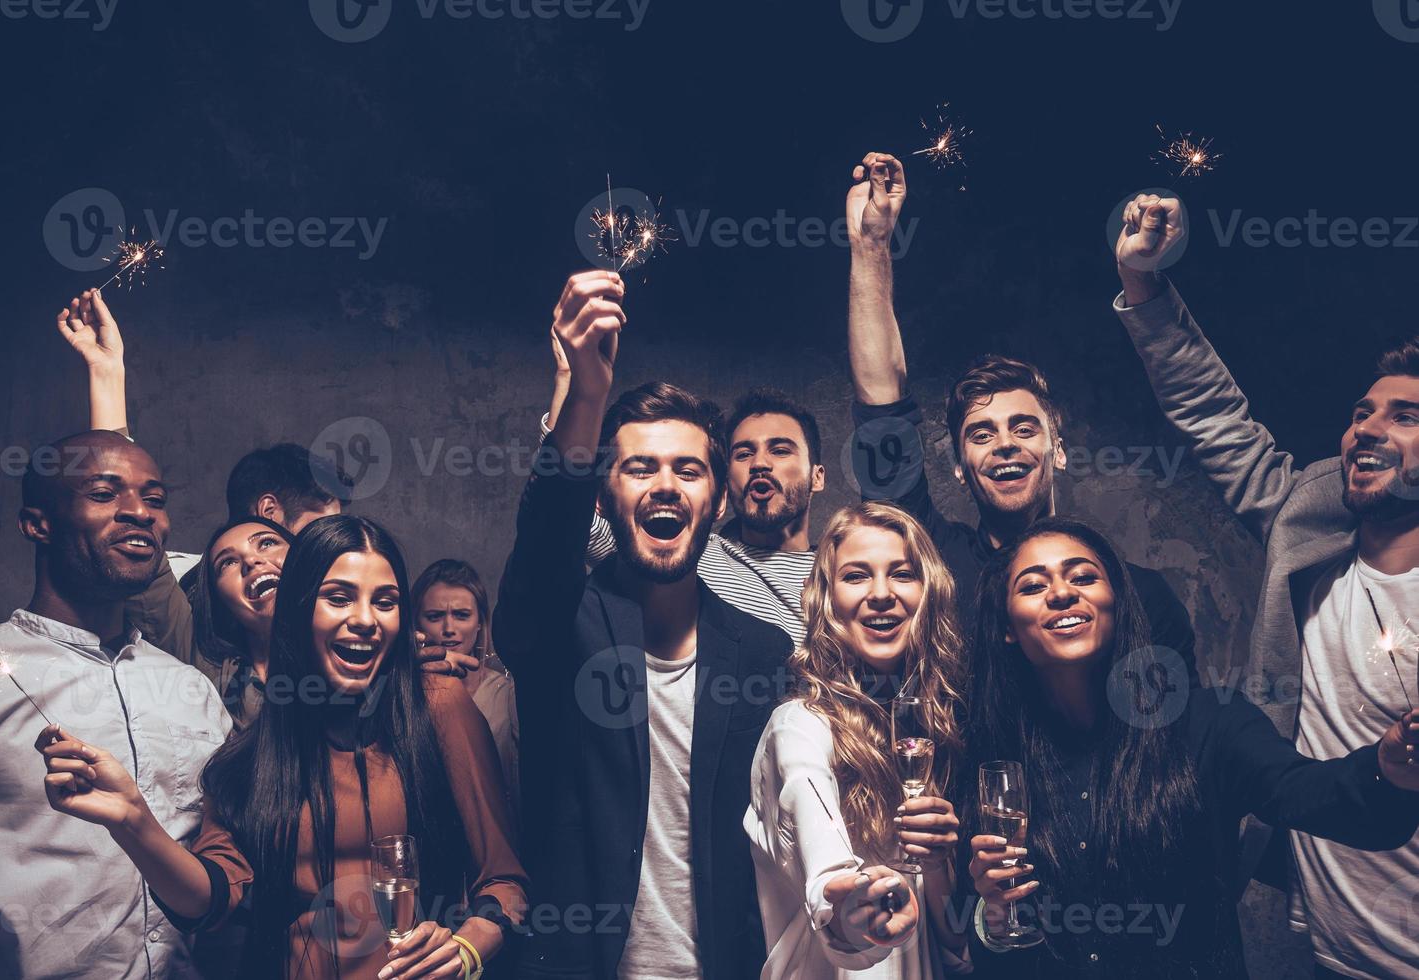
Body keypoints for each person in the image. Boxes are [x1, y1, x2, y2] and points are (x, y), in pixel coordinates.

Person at [1113, 193, 1419, 978]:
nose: (1367, 428)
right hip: (1331, 952)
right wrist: (1143, 285)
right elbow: (1214, 416)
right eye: (1361, 412)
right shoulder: (1308, 523)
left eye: (1404, 416)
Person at [36, 515, 527, 979]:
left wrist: (466, 948)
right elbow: (208, 903)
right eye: (338, 597)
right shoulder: (250, 760)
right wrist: (133, 821)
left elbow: (504, 881)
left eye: (385, 601)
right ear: (297, 612)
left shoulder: (436, 705)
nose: (365, 619)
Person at [494, 270, 794, 979]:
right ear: (604, 496)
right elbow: (543, 541)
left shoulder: (762, 652)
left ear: (717, 504)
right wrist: (586, 396)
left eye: (688, 470)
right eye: (639, 468)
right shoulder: (559, 624)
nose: (665, 484)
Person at [958, 518, 1419, 978]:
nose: (1062, 593)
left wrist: (1387, 768)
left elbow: (1313, 792)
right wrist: (994, 918)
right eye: (1033, 585)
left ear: (1117, 602)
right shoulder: (997, 762)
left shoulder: (1206, 724)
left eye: (1083, 577)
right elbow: (985, 939)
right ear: (1007, 628)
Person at [843, 156, 1196, 676]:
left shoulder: (1136, 598)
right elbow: (881, 407)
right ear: (961, 467)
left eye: (1024, 427)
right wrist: (871, 246)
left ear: (1057, 448)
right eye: (982, 434)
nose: (1005, 444)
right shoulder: (932, 563)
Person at [0, 430, 231, 977]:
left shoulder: (192, 690)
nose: (140, 513)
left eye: (154, 498)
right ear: (38, 524)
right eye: (105, 494)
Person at [55, 288, 350, 664]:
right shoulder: (204, 661)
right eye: (319, 527)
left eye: (268, 547)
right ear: (269, 512)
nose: (332, 543)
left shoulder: (355, 624)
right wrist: (107, 374)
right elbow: (124, 492)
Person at [747, 501, 972, 978]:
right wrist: (849, 898)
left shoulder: (929, 731)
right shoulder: (799, 727)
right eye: (856, 576)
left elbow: (953, 942)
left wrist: (934, 865)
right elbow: (830, 884)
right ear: (827, 599)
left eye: (902, 574)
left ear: (928, 590)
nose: (881, 594)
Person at [548, 331, 824, 645]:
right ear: (723, 484)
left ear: (818, 476)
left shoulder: (844, 572)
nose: (759, 463)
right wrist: (574, 388)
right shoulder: (686, 547)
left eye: (780, 450)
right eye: (743, 453)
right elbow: (569, 515)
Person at [412, 558, 521, 808]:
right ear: (416, 623)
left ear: (480, 622)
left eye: (461, 615)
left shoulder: (505, 694)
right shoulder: (405, 692)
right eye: (435, 616)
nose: (449, 628)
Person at [185, 516, 295, 729]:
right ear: (220, 601)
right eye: (228, 562)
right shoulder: (215, 677)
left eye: (267, 543)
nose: (251, 560)